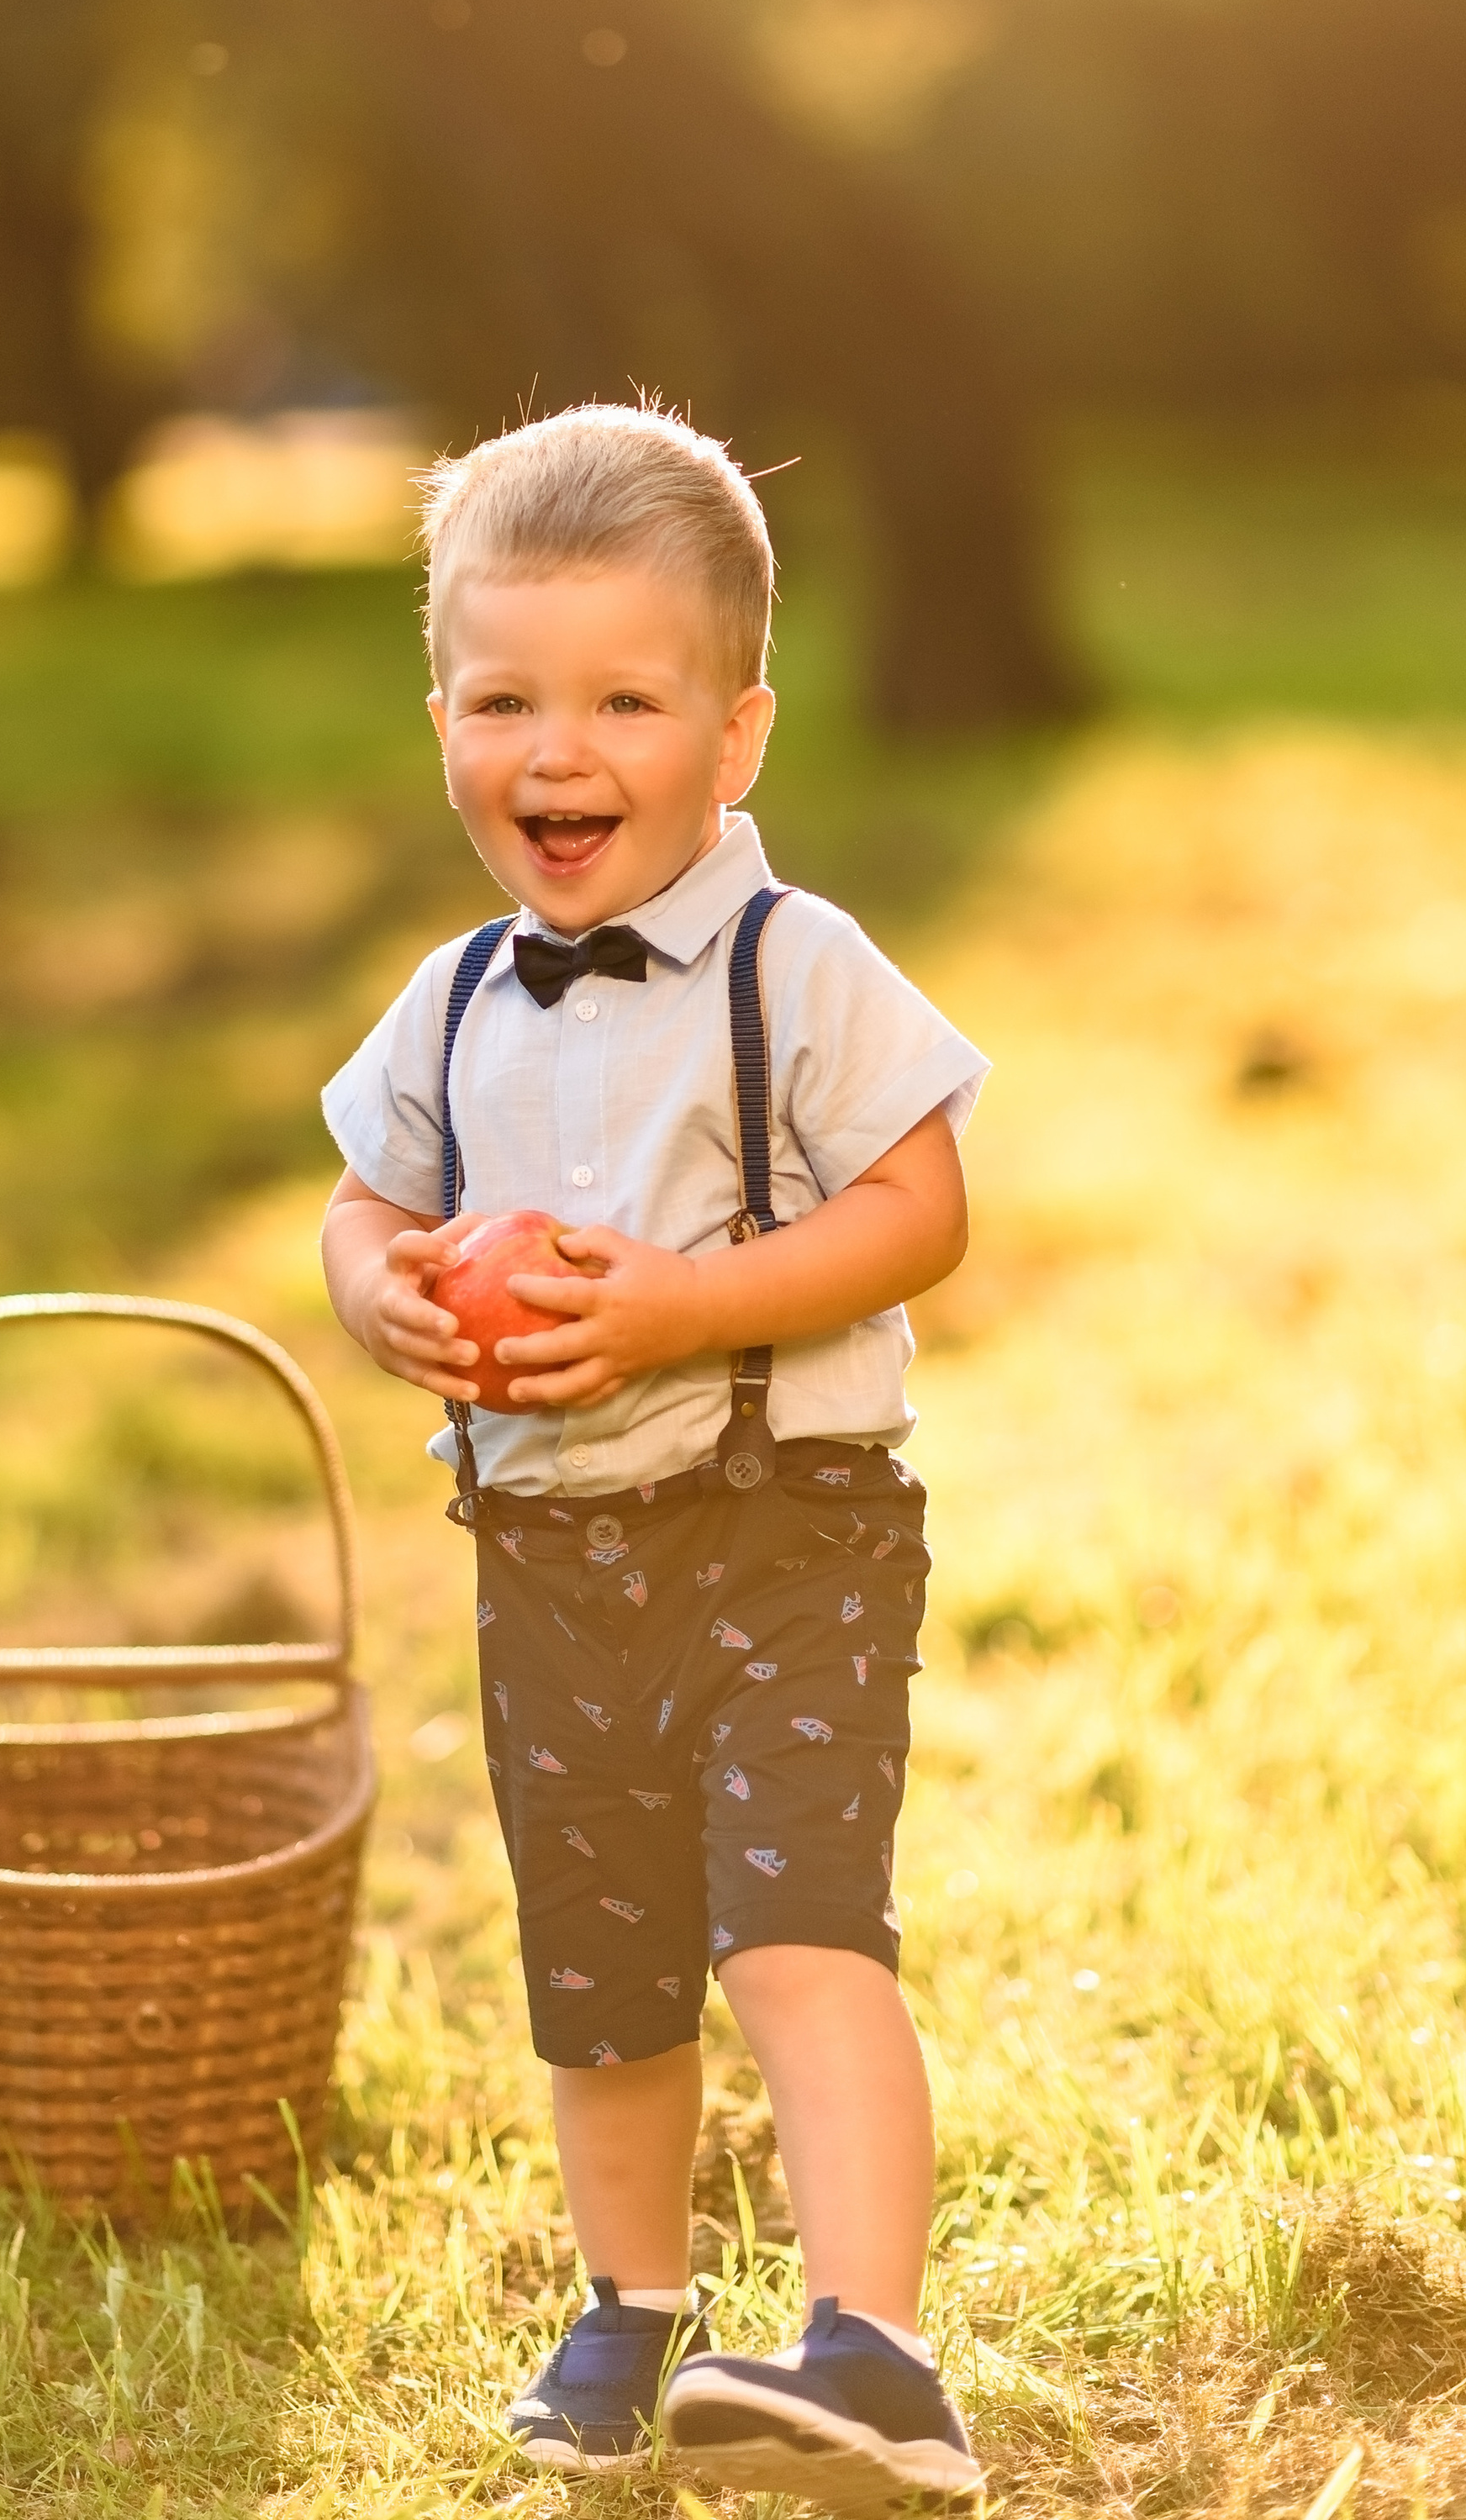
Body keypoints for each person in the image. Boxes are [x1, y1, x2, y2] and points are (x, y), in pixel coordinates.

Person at [319, 405, 988, 2507]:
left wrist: (694, 1304)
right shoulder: (444, 1007)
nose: (560, 752)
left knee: (797, 1932)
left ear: (736, 733)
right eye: (506, 697)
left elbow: (920, 1208)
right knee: (596, 1975)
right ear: (439, 717)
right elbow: (357, 1202)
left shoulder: (801, 965)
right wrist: (380, 1292)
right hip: (547, 1559)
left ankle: (873, 2353)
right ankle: (628, 2306)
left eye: (626, 698)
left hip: (784, 1534)